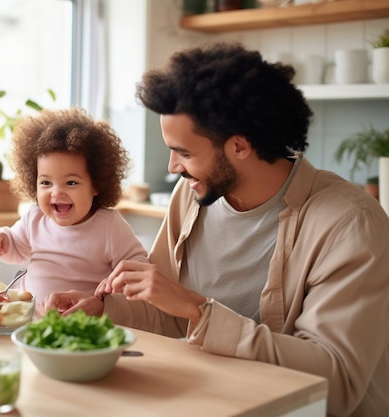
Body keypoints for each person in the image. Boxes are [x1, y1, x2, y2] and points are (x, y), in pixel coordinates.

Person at [38, 42, 389, 417]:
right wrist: (104, 310)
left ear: (239, 145)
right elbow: (167, 311)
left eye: (184, 153)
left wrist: (198, 309)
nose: (173, 166)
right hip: (213, 402)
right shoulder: (191, 197)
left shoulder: (350, 224)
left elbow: (335, 383)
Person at [0, 107, 149, 302]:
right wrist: (2, 241)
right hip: (33, 317)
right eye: (46, 182)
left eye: (71, 183)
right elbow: (16, 249)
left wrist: (116, 282)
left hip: (82, 321)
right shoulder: (35, 217)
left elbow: (138, 264)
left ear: (96, 184)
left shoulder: (109, 226)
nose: (56, 192)